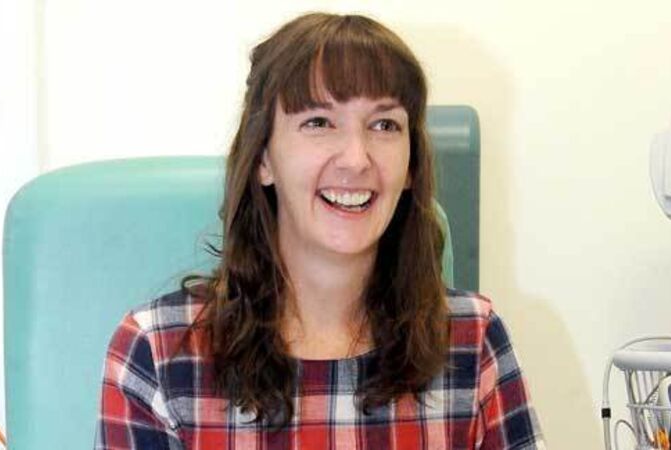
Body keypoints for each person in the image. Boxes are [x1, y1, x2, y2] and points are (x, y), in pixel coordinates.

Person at [95, 12, 544, 450]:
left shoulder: (473, 340)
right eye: (319, 122)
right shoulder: (157, 353)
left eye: (384, 125)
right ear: (263, 158)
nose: (356, 159)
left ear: (411, 165)